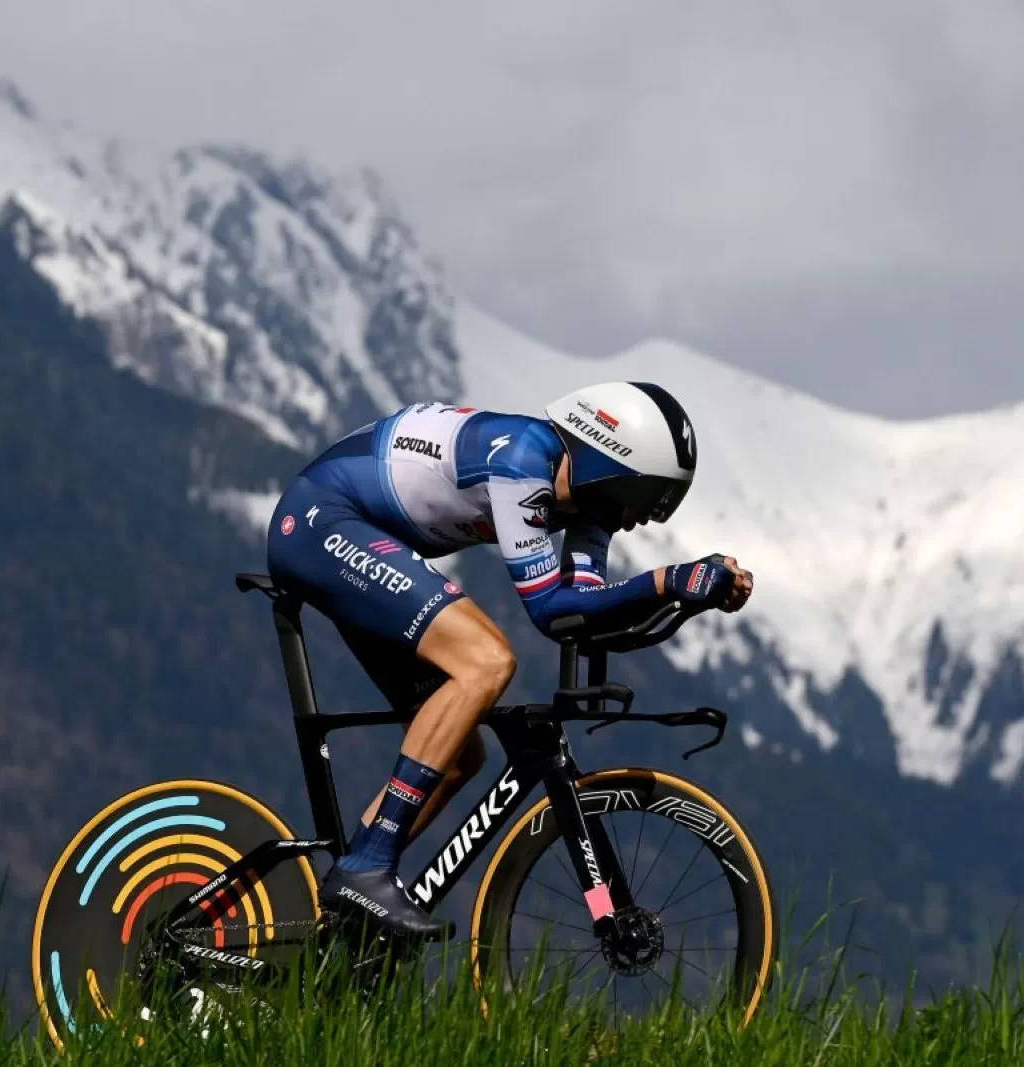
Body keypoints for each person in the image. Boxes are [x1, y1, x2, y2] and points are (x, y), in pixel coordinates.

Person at [265, 382, 753, 939]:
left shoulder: (587, 508)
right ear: (608, 463)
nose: (644, 520)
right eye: (645, 498)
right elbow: (548, 610)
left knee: (458, 758)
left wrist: (689, 593)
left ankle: (341, 922)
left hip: (362, 534)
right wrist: (668, 581)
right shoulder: (523, 457)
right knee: (486, 662)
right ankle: (367, 865)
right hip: (319, 520)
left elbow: (581, 611)